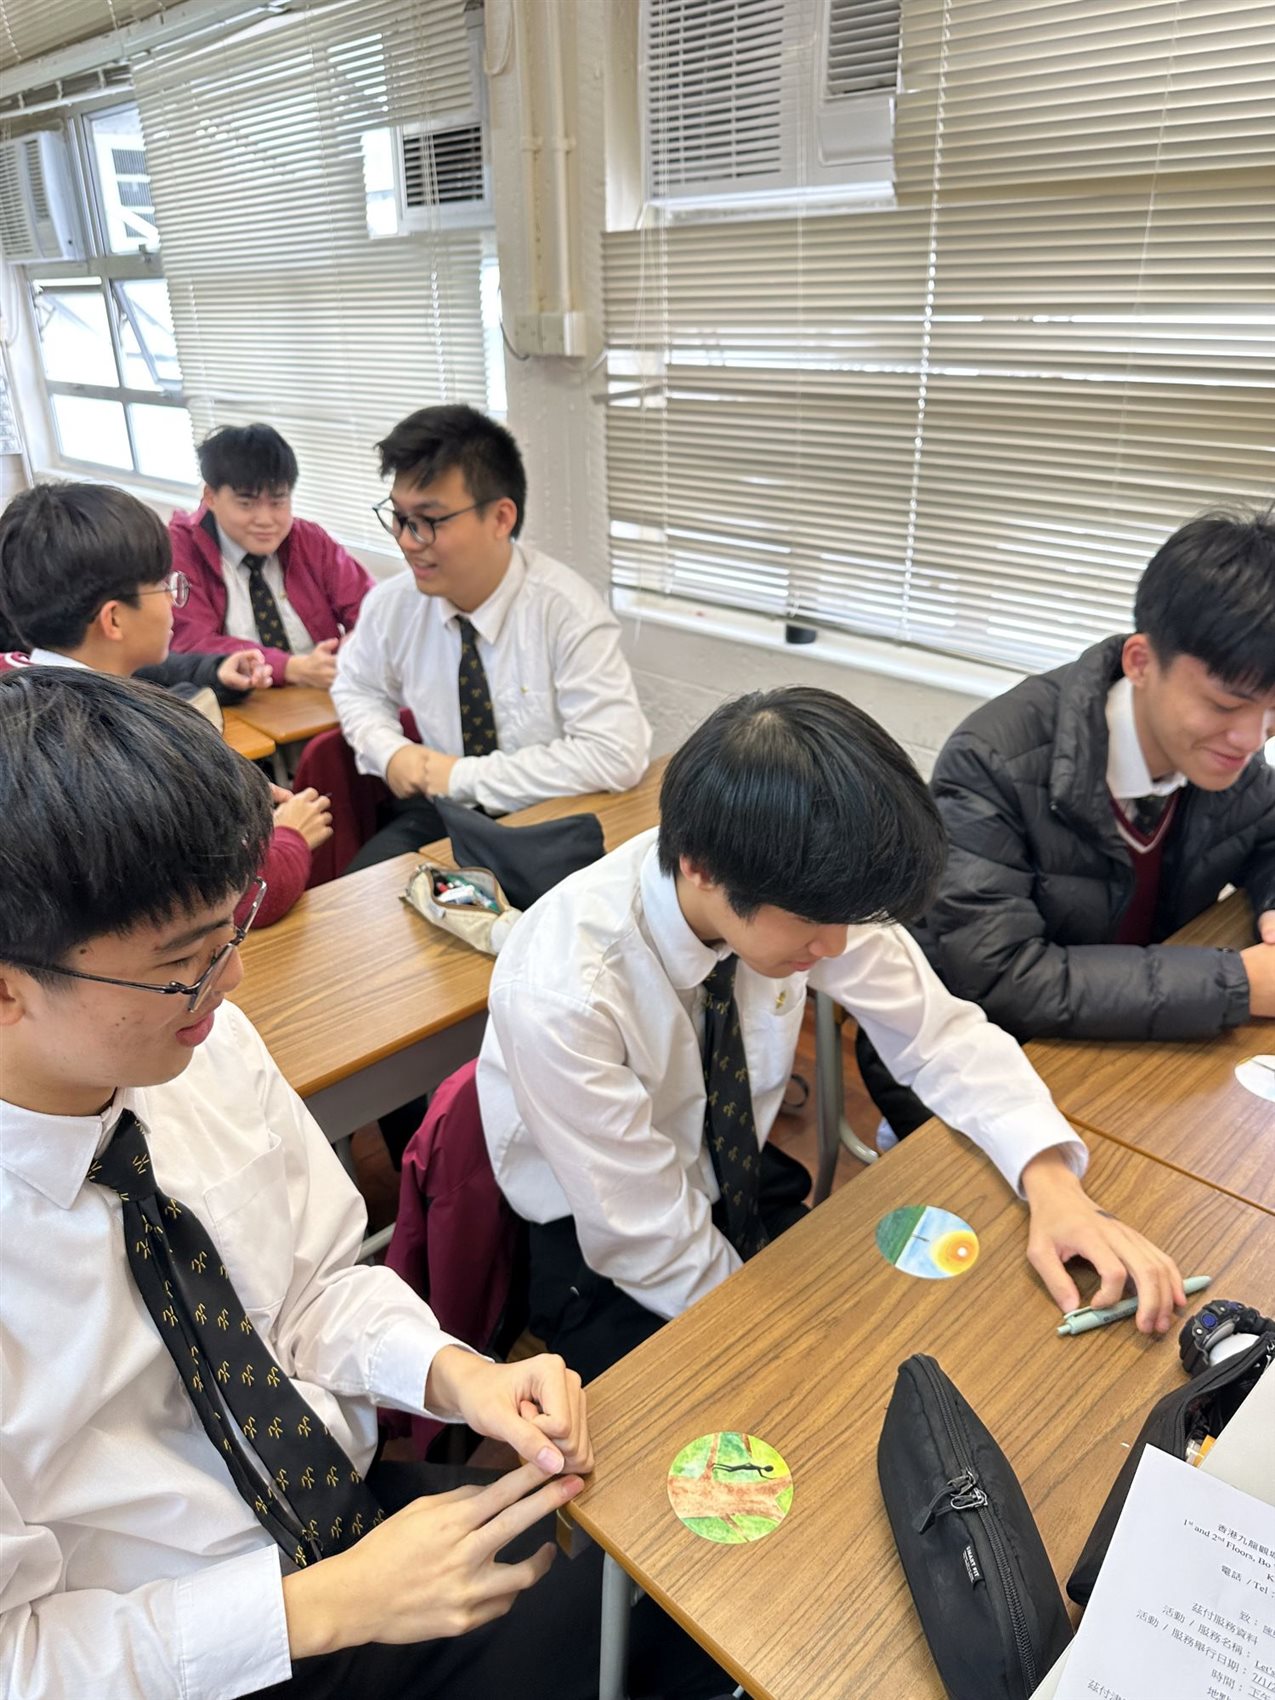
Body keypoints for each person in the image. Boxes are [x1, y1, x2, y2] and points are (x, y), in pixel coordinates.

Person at [0, 668, 724, 1700]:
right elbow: (18, 1654)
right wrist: (322, 1608)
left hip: (348, 1514)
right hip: (175, 1643)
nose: (231, 981)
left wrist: (455, 1373)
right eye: (183, 963)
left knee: (674, 1598)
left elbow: (309, 1287)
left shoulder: (204, 1049)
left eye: (233, 929)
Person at [477, 687, 1187, 1385]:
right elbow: (645, 1237)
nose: (838, 945)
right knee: (781, 1402)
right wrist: (793, 1353)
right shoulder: (563, 992)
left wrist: (1052, 1182)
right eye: (814, 922)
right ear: (699, 866)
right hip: (604, 1243)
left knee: (933, 1333)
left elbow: (940, 1036)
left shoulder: (806, 891)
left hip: (738, 1177)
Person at [858, 511, 1275, 1138]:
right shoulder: (991, 761)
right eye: (1224, 704)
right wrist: (1236, 984)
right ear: (1141, 662)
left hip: (1129, 1048)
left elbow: (1269, 834)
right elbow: (1001, 977)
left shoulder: (1223, 757)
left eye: (1273, 711)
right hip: (978, 1071)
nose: (1251, 738)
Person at [331, 404, 651, 870]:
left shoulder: (565, 611)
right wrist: (390, 751)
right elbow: (357, 687)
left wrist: (460, 776)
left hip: (549, 814)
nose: (407, 540)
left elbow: (616, 753)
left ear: (501, 518)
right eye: (398, 517)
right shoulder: (393, 604)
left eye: (429, 520)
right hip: (443, 814)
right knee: (358, 898)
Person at [0, 481, 331, 929]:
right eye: (162, 586)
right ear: (114, 619)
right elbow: (235, 901)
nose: (175, 599)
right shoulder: (128, 758)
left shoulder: (18, 680)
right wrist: (291, 836)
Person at [169, 423, 374, 689]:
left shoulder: (310, 540)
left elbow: (372, 609)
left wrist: (359, 640)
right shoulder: (180, 550)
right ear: (211, 496)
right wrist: (288, 667)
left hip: (322, 694)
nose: (266, 520)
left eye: (278, 502)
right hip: (239, 700)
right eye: (246, 504)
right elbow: (190, 643)